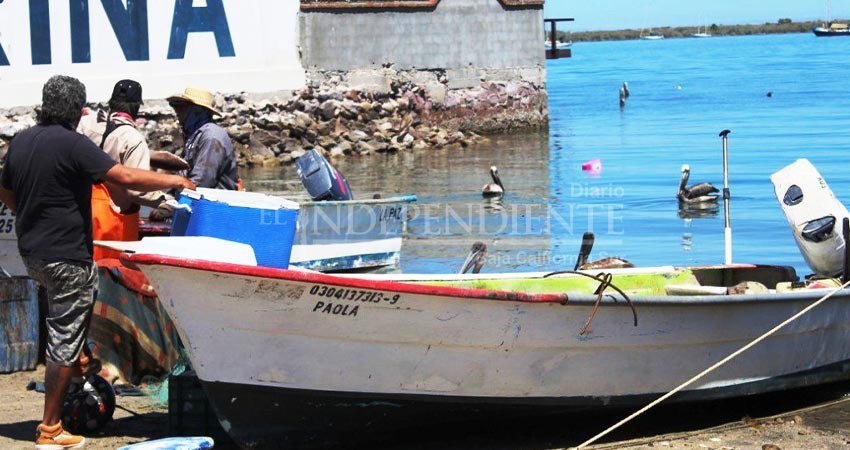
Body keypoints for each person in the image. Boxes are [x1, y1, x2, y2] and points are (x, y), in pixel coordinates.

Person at [0, 75, 195, 449]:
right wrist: (171, 181)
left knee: (71, 320)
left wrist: (28, 215)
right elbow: (123, 175)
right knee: (64, 337)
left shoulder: (22, 140)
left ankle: (78, 370)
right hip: (66, 256)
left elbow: (5, 189)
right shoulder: (73, 144)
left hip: (34, 254)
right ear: (77, 110)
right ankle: (50, 429)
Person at [87, 79, 171, 259]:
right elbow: (137, 190)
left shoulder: (90, 127)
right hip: (116, 222)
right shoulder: (133, 139)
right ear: (136, 107)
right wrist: (167, 202)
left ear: (112, 102)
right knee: (114, 269)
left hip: (86, 215)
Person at [167, 87, 239, 190]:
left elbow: (201, 182)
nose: (176, 110)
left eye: (181, 106)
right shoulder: (193, 135)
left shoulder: (211, 136)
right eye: (175, 106)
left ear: (197, 111)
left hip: (211, 199)